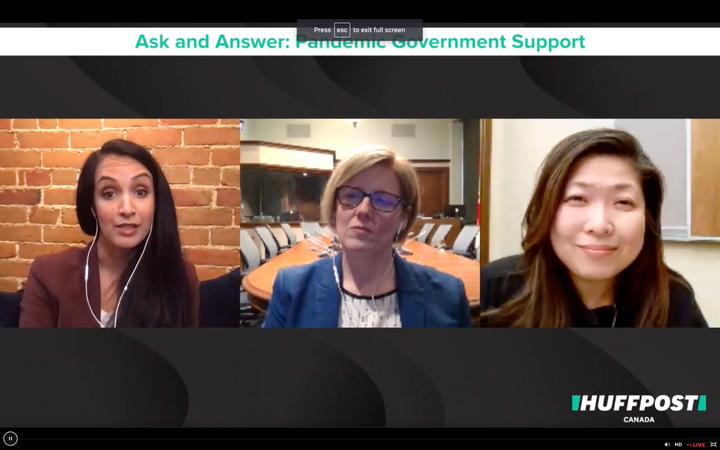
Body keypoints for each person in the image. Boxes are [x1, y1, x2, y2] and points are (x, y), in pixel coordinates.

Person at [480, 128, 708, 327]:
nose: (599, 225)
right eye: (577, 198)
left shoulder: (675, 299)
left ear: (648, 219)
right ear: (546, 210)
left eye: (623, 202)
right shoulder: (493, 289)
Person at [262, 146, 473, 328]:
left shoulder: (448, 296)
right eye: (351, 196)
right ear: (334, 208)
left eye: (383, 200)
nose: (363, 210)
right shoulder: (290, 289)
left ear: (403, 216)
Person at [19, 139, 199, 327]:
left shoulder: (182, 277)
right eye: (109, 194)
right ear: (92, 206)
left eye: (140, 191)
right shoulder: (48, 274)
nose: (127, 209)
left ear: (156, 202)